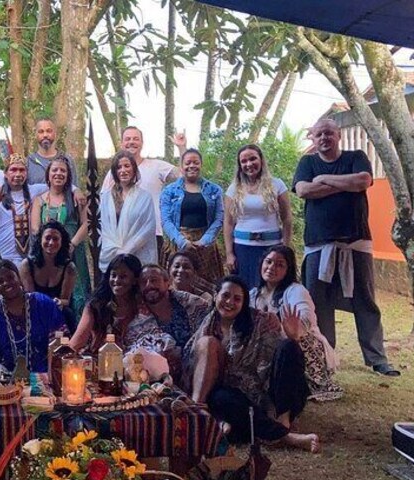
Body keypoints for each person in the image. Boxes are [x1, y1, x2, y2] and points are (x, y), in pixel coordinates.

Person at [293, 118, 399, 377]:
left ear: (338, 135)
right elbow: (304, 190)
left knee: (365, 300)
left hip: (356, 242)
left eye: (328, 133)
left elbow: (362, 181)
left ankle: (377, 358)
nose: (323, 138)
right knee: (319, 303)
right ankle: (324, 356)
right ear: (313, 138)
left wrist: (325, 179)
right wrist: (343, 184)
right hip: (319, 245)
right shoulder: (307, 163)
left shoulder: (356, 156)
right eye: (318, 135)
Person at [184, 276, 319, 452]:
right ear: (216, 295)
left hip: (265, 391)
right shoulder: (207, 324)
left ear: (244, 303)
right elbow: (191, 361)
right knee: (220, 397)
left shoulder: (261, 321)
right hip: (229, 395)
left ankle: (279, 421)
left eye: (237, 299)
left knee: (289, 346)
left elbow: (280, 362)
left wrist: (291, 335)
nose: (229, 302)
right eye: (225, 295)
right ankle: (284, 436)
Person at [250, 245, 343, 402]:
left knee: (292, 341)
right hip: (267, 349)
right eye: (269, 262)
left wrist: (290, 330)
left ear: (288, 270)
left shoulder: (295, 290)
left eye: (280, 265)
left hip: (302, 346)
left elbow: (306, 318)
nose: (271, 267)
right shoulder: (253, 294)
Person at [0, 260, 66, 377]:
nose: (6, 283)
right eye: (0, 281)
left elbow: (60, 340)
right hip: (8, 379)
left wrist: (52, 373)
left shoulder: (43, 303)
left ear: (18, 278)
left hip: (44, 373)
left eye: (10, 277)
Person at [101, 126, 187, 252]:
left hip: (153, 232)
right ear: (122, 144)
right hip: (123, 235)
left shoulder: (156, 166)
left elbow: (183, 175)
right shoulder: (115, 172)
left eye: (136, 139)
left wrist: (182, 148)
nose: (131, 142)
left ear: (142, 143)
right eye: (127, 139)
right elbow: (104, 203)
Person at [224, 144, 293, 287]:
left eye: (253, 159)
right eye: (244, 161)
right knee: (244, 290)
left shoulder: (277, 185)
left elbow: (287, 219)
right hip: (242, 249)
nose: (249, 164)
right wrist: (229, 253)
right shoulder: (233, 189)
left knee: (270, 289)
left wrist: (285, 249)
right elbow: (228, 222)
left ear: (261, 160)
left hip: (271, 248)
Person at [31, 155, 90, 317]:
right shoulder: (39, 200)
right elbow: (35, 228)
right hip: (48, 255)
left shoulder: (76, 198)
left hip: (73, 253)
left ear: (68, 175)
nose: (58, 173)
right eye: (54, 170)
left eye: (63, 170)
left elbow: (86, 223)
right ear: (48, 175)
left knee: (77, 294)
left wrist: (71, 244)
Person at [128, 264, 210, 378]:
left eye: (154, 280)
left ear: (167, 282)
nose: (149, 285)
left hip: (196, 369)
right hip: (156, 376)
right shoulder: (136, 319)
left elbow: (210, 326)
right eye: (143, 282)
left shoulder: (192, 304)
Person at [161, 149, 225, 284]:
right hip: (178, 243)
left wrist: (204, 240)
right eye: (187, 163)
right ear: (181, 166)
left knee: (207, 286)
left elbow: (219, 218)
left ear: (201, 165)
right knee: (177, 286)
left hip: (205, 246)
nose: (192, 166)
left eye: (196, 162)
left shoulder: (214, 190)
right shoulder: (169, 191)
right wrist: (182, 242)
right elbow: (166, 220)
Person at [0, 154, 47, 263]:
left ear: (26, 173)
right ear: (5, 174)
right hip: (5, 259)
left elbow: (56, 186)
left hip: (31, 257)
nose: (18, 174)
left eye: (22, 170)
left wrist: (75, 190)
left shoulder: (34, 191)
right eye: (13, 170)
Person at [99, 149, 158, 270]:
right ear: (115, 172)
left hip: (138, 256)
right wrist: (117, 252)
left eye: (127, 166)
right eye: (119, 167)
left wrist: (127, 251)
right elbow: (105, 228)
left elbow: (148, 227)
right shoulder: (106, 198)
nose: (123, 170)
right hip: (112, 256)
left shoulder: (145, 197)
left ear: (134, 169)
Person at [70, 254, 141, 354]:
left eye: (123, 276)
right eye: (113, 275)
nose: (117, 280)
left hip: (137, 364)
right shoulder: (95, 306)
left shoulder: (141, 305)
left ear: (134, 280)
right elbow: (77, 342)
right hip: (100, 362)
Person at [19, 220, 77, 330]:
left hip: (58, 312)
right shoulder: (27, 265)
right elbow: (31, 297)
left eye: (55, 239)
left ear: (62, 242)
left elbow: (66, 299)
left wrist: (59, 302)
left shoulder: (69, 267)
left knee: (67, 313)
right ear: (40, 239)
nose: (51, 243)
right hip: (34, 311)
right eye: (47, 238)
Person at [27, 118, 78, 186]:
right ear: (36, 135)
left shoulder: (67, 160)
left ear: (55, 134)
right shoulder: (28, 162)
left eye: (49, 131)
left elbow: (74, 188)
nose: (45, 135)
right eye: (41, 131)